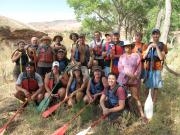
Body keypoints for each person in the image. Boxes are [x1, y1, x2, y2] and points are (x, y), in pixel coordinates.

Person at [117, 41, 145, 118]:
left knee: (136, 97)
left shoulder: (136, 56)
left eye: (128, 46)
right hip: (123, 79)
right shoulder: (122, 57)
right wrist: (127, 73)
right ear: (123, 48)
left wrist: (133, 77)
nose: (127, 48)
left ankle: (142, 114)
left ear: (131, 47)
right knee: (122, 97)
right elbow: (120, 68)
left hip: (134, 79)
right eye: (125, 46)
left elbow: (139, 68)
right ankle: (125, 114)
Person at [143, 29, 168, 103]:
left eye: (157, 34)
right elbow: (144, 57)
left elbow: (161, 57)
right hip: (148, 67)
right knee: (147, 85)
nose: (155, 35)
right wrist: (149, 47)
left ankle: (153, 102)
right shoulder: (146, 44)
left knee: (156, 85)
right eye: (154, 34)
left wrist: (156, 47)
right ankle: (147, 101)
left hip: (157, 67)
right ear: (152, 35)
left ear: (159, 35)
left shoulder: (163, 45)